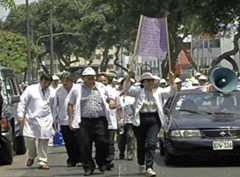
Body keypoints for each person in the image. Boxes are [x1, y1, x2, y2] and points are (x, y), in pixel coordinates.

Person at [123, 72, 175, 177]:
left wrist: (171, 80)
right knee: (141, 144)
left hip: (154, 119)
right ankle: (141, 163)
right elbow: (126, 89)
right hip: (140, 120)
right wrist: (128, 77)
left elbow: (172, 92)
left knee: (151, 143)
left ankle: (149, 167)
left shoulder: (159, 91)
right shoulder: (138, 91)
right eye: (148, 81)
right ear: (143, 82)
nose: (150, 83)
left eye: (152, 80)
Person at [68, 67, 116, 176]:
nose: (91, 80)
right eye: (88, 78)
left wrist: (112, 102)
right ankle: (88, 167)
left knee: (103, 142)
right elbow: (70, 104)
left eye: (93, 77)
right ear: (83, 78)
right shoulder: (77, 89)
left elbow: (109, 98)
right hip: (84, 122)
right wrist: (71, 120)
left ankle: (100, 161)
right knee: (84, 145)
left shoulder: (101, 87)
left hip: (100, 121)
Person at [17, 73, 54, 169]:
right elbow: (22, 102)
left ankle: (42, 161)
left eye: (49, 83)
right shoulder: (30, 89)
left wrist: (55, 119)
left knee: (44, 140)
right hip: (31, 119)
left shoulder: (51, 91)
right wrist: (20, 115)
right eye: (45, 82)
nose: (47, 85)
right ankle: (31, 156)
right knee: (30, 139)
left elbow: (54, 105)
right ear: (41, 80)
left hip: (46, 118)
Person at [53, 71, 81, 167]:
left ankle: (80, 158)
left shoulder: (78, 89)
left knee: (78, 140)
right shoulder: (58, 91)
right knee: (68, 141)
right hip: (63, 120)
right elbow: (55, 106)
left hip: (77, 119)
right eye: (63, 81)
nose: (65, 83)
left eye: (67, 81)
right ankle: (71, 159)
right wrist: (54, 119)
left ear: (71, 81)